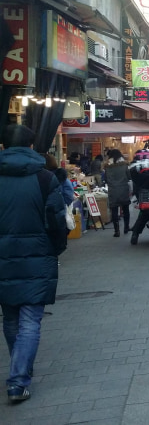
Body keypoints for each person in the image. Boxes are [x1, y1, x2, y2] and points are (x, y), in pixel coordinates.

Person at [0, 125, 68, 403]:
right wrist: (56, 249)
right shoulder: (44, 178)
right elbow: (56, 221)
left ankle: (21, 372)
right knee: (30, 319)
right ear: (31, 147)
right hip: (38, 255)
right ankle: (18, 380)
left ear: (4, 147)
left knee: (11, 316)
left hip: (3, 257)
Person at [104, 150, 131, 237]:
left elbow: (106, 179)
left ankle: (117, 231)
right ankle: (126, 227)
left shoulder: (108, 167)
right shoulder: (125, 165)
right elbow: (129, 176)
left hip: (113, 190)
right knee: (126, 209)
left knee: (114, 210)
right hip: (123, 189)